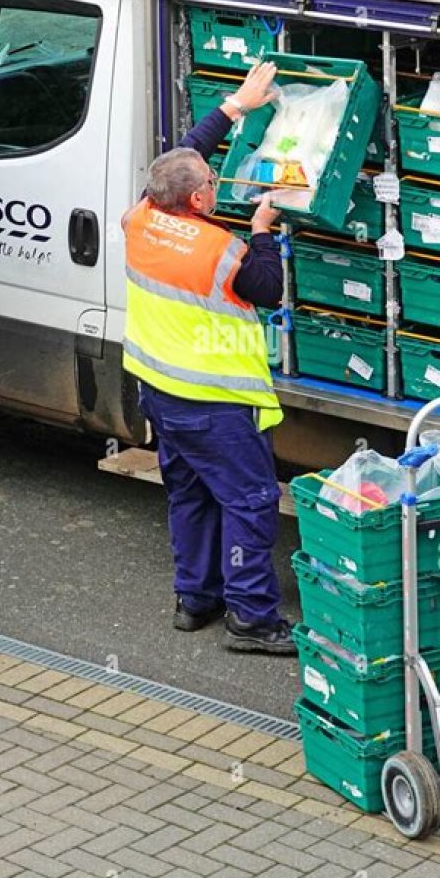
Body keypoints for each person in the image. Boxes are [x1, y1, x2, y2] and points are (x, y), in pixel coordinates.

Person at [121, 61, 296, 655]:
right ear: (198, 198)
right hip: (215, 403)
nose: (216, 182)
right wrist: (264, 230)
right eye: (212, 181)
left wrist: (236, 105)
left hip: (159, 393)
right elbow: (267, 289)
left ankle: (195, 599)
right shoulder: (222, 251)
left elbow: (184, 154)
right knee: (249, 502)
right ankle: (251, 618)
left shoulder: (140, 216)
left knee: (190, 494)